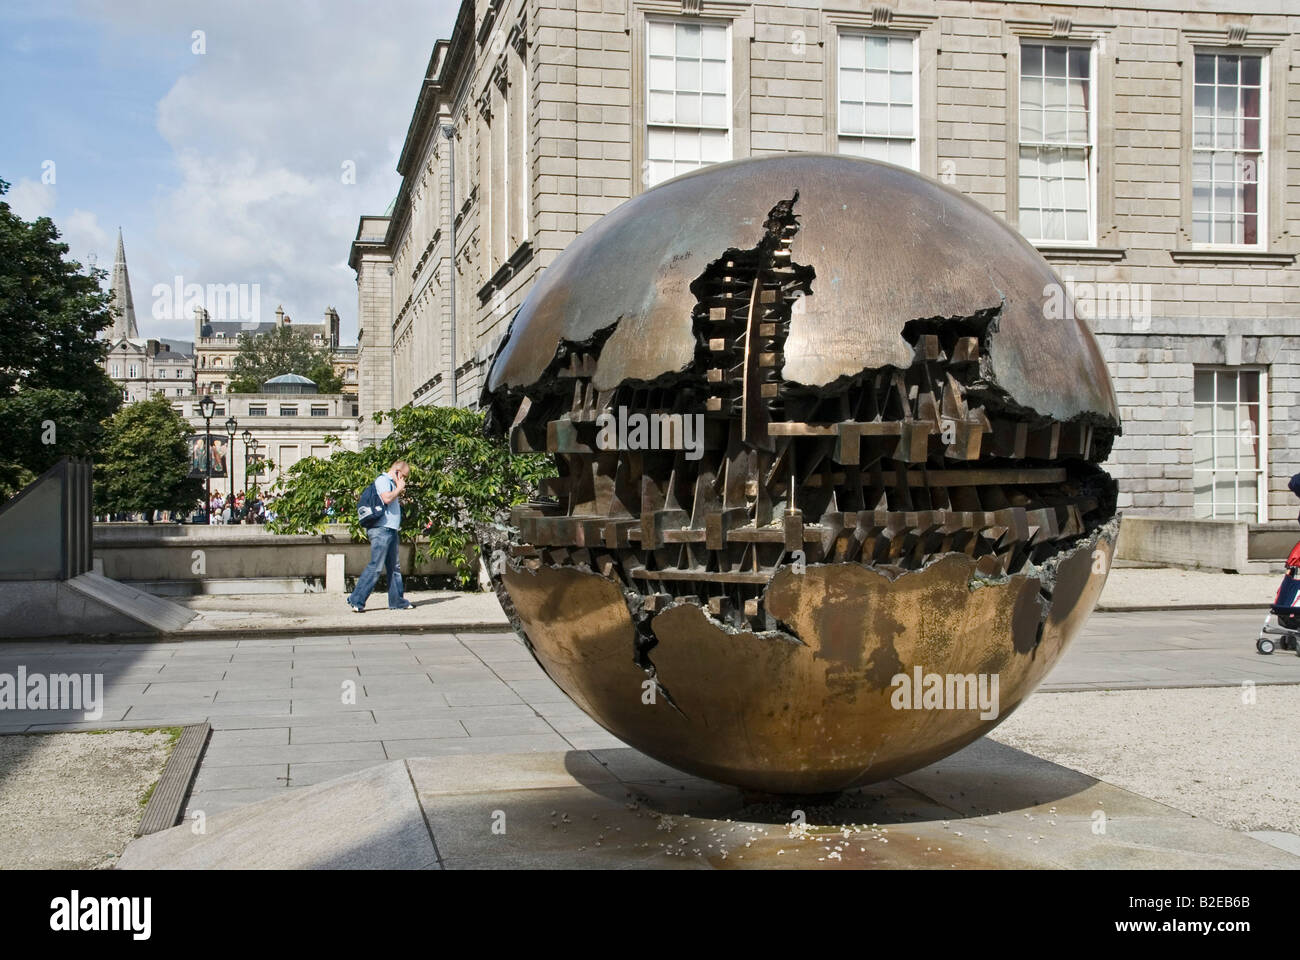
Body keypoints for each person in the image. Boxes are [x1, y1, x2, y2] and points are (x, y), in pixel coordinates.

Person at [347, 460, 414, 612]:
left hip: (390, 529)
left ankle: (397, 601)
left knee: (394, 567)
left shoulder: (390, 483)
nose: (404, 480)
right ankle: (356, 600)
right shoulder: (383, 480)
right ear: (397, 472)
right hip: (381, 529)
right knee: (376, 566)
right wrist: (399, 488)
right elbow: (386, 498)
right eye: (404, 476)